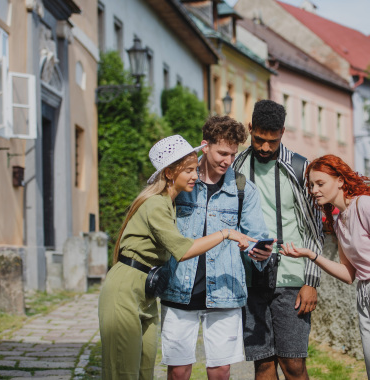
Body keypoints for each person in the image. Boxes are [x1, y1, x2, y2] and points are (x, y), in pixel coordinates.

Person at [98, 135, 256, 380]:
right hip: (125, 287)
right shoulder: (156, 205)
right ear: (170, 173)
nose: (195, 175)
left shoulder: (170, 203)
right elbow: (183, 251)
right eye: (189, 170)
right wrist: (226, 232)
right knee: (123, 371)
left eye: (195, 169)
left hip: (147, 291)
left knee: (143, 371)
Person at [280, 154, 370, 380]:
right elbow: (349, 274)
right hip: (365, 292)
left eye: (320, 183)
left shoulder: (366, 206)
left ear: (340, 180)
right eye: (311, 185)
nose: (314, 190)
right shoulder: (339, 221)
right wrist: (311, 254)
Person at [159, 116, 273, 380]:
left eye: (233, 155)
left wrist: (259, 252)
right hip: (179, 288)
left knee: (220, 371)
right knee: (178, 371)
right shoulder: (180, 183)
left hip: (225, 290)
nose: (227, 160)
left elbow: (256, 237)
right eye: (222, 152)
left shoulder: (243, 189)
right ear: (205, 146)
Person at [233, 100, 324, 380]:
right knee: (262, 363)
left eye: (272, 141)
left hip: (292, 279)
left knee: (293, 363)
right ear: (251, 129)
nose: (265, 147)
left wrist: (311, 282)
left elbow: (314, 230)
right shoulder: (235, 166)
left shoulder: (299, 169)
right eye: (259, 139)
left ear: (282, 132)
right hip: (249, 278)